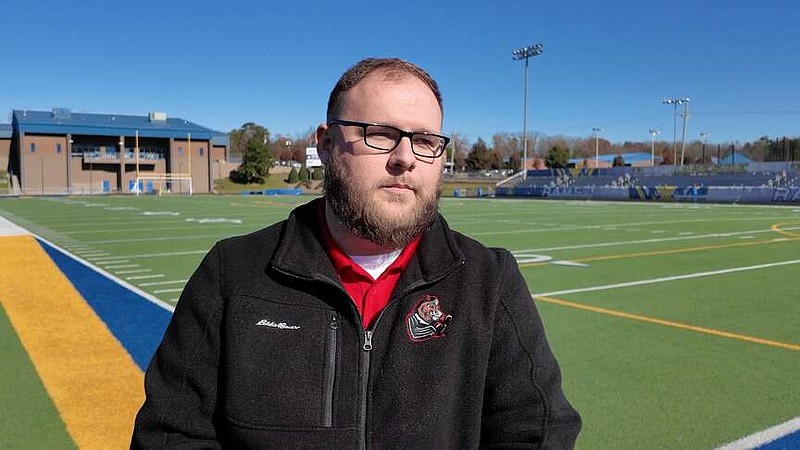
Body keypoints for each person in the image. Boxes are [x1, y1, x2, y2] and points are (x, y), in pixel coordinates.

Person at [131, 57, 581, 449]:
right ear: (326, 144)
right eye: (379, 134)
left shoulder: (488, 279)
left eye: (425, 141)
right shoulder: (234, 273)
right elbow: (170, 434)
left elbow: (537, 431)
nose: (405, 157)